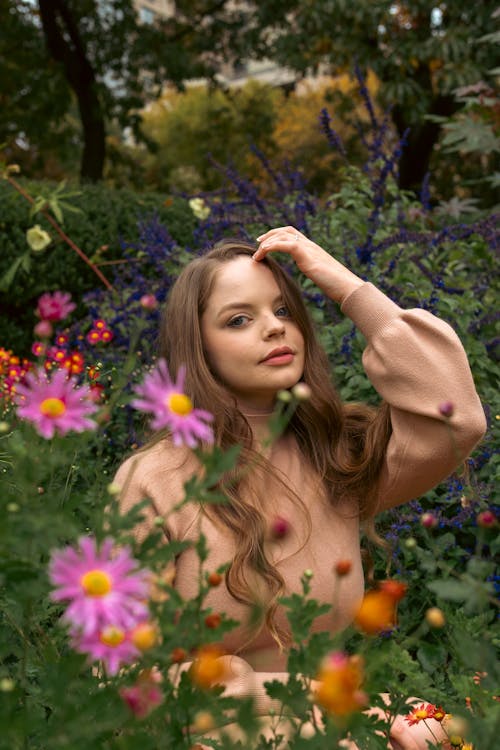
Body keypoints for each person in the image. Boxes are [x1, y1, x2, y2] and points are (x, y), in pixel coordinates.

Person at [115, 227, 486, 749]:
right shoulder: (154, 482)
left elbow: (457, 416)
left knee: (441, 733)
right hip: (213, 735)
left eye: (284, 310)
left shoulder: (336, 458)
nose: (274, 329)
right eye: (239, 319)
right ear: (198, 348)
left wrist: (343, 285)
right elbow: (126, 675)